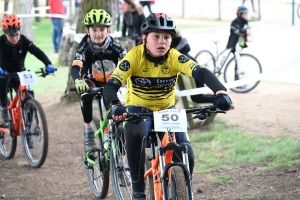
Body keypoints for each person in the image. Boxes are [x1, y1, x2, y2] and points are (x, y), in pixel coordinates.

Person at [103, 13, 232, 200]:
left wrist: (220, 92)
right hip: (138, 108)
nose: (162, 42)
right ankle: (138, 191)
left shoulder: (174, 56)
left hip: (167, 110)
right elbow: (111, 85)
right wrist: (115, 104)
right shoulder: (134, 56)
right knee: (135, 132)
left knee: (186, 153)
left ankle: (181, 190)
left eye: (167, 37)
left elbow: (200, 72)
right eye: (156, 36)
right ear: (144, 38)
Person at [71, 9, 127, 152]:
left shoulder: (114, 45)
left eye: (102, 29)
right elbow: (76, 66)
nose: (98, 34)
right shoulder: (84, 46)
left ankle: (116, 134)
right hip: (92, 81)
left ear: (108, 30)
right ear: (87, 31)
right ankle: (89, 130)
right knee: (85, 95)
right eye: (94, 30)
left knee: (119, 108)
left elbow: (129, 61)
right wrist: (78, 79)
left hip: (111, 83)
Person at [0, 14, 55, 127]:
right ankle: (3, 107)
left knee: (28, 94)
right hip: (4, 72)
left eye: (16, 35)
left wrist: (48, 64)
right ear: (5, 34)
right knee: (2, 82)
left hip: (20, 72)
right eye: (11, 36)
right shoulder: (1, 42)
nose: (14, 38)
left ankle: (28, 126)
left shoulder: (23, 40)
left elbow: (37, 51)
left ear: (19, 31)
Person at [172, 29, 215, 103]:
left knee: (197, 98)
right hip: (195, 86)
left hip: (196, 88)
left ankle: (216, 98)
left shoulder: (181, 58)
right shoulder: (181, 54)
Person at [226, 5, 252, 80]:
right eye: (245, 14)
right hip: (234, 44)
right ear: (240, 14)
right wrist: (245, 31)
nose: (247, 15)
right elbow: (237, 30)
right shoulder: (236, 21)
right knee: (237, 63)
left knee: (238, 62)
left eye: (247, 14)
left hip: (240, 45)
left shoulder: (246, 22)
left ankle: (238, 81)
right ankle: (237, 81)